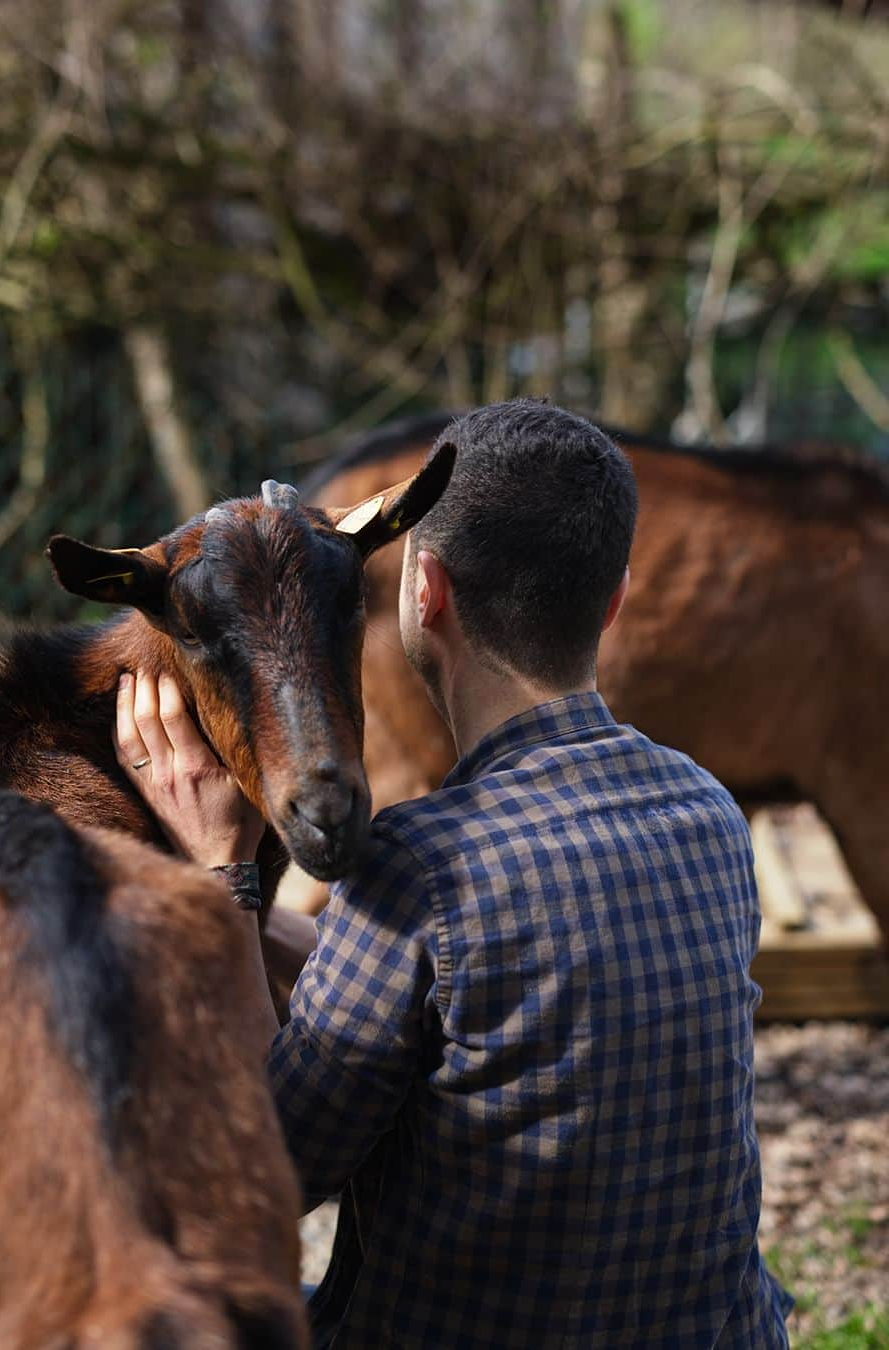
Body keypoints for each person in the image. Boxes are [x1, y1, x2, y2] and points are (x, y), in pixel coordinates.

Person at [113, 399, 793, 1348]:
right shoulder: (706, 812)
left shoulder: (423, 866)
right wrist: (270, 918)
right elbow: (473, 980)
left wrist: (220, 876)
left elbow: (268, 1174)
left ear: (423, 590)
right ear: (615, 599)